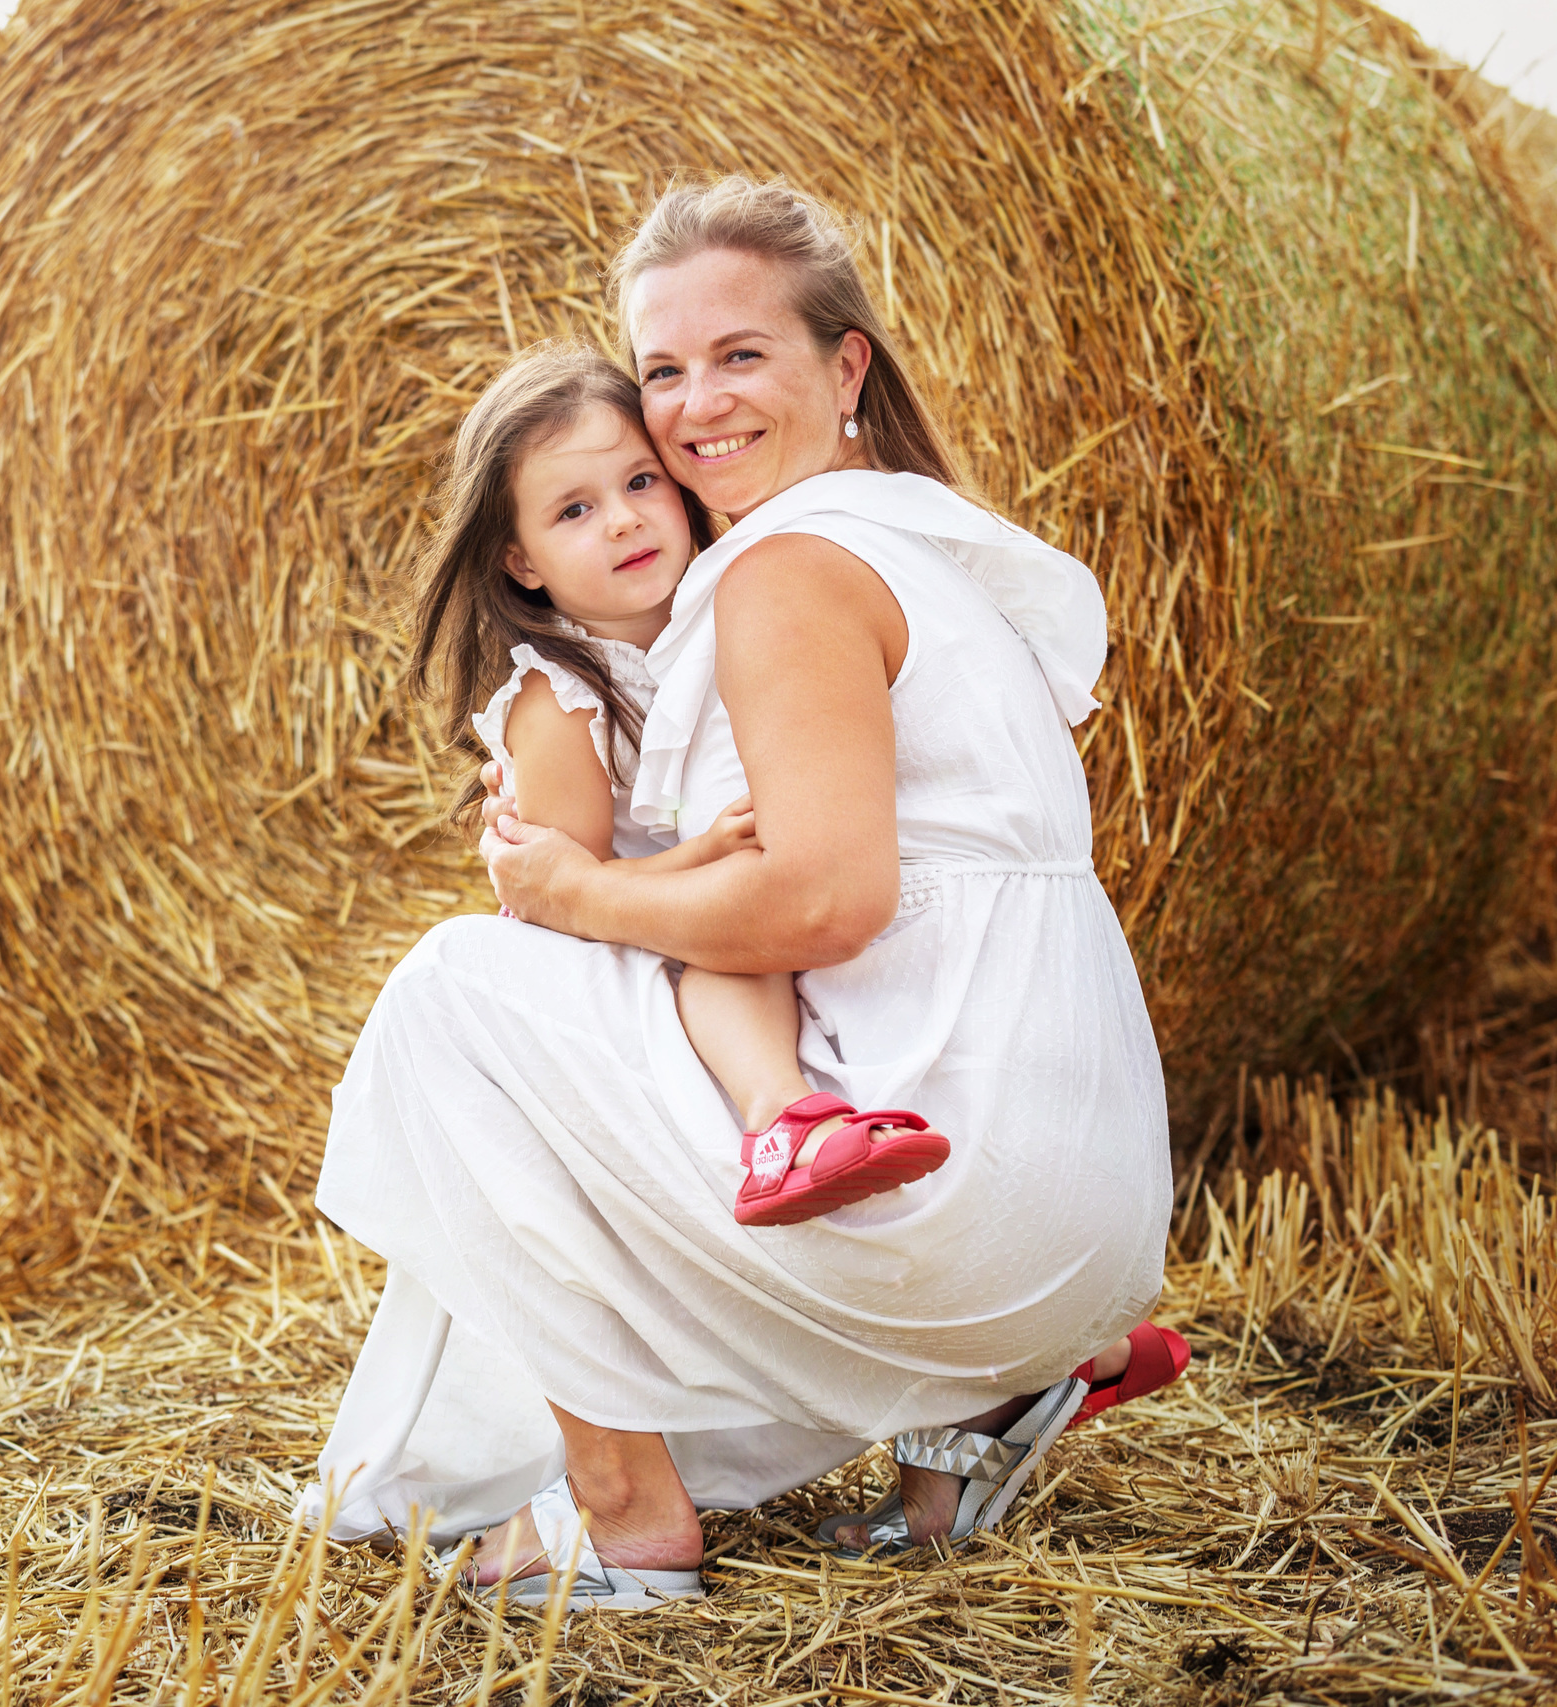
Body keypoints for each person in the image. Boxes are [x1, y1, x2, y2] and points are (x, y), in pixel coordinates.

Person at [298, 177, 1185, 1610]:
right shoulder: (926, 542)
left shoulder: (785, 574)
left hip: (960, 1199)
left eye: (740, 353)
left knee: (455, 995)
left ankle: (625, 1506)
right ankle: (969, 1419)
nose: (695, 404)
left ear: (847, 366)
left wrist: (574, 890)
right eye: (664, 369)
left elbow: (821, 907)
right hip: (1086, 1221)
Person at [412, 342, 953, 1230]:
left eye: (639, 483)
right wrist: (700, 861)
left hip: (743, 921)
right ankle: (781, 1120)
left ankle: (1023, 1287)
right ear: (522, 562)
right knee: (732, 930)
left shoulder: (741, 604)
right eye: (575, 510)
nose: (623, 521)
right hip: (640, 959)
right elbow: (558, 903)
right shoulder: (561, 698)